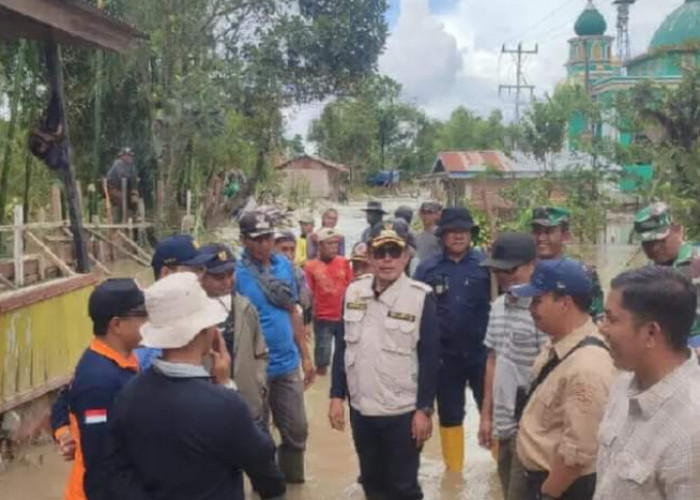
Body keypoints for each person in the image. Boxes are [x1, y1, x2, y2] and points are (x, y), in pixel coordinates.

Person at [104, 273, 286, 500]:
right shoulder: (224, 405)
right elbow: (265, 468)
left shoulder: (129, 395)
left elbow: (114, 471)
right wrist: (227, 385)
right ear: (204, 331)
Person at [329, 229, 440, 500]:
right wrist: (335, 395)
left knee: (403, 488)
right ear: (369, 256)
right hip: (361, 410)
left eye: (394, 253)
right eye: (380, 253)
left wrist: (424, 409)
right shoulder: (353, 292)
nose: (387, 260)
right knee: (371, 483)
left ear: (405, 257)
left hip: (402, 413)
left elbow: (430, 357)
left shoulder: (420, 296)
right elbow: (342, 348)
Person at [512, 259, 616, 500]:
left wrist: (547, 493)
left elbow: (579, 452)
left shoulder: (587, 367)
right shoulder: (560, 345)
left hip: (560, 488)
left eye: (538, 301)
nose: (531, 309)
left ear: (565, 304)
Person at [595, 266, 700, 500]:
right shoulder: (623, 384)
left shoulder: (691, 431)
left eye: (611, 319)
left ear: (651, 333)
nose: (601, 329)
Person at [51, 279, 147, 500]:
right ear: (117, 325)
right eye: (141, 316)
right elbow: (102, 467)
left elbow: (65, 398)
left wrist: (63, 432)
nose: (147, 322)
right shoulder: (98, 382)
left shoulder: (118, 360)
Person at [236, 210, 313, 483]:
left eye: (268, 237)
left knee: (298, 429)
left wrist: (306, 356)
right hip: (253, 366)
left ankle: (293, 484)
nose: (264, 244)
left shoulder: (286, 267)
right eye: (256, 239)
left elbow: (293, 311)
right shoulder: (235, 274)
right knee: (258, 433)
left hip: (287, 362)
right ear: (244, 240)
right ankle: (268, 486)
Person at [414, 207, 491, 473]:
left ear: (471, 234)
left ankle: (500, 472)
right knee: (450, 414)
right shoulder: (426, 270)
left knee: (491, 410)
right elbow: (414, 314)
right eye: (452, 231)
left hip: (482, 355)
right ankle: (454, 475)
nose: (458, 236)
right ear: (442, 235)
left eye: (464, 231)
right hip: (444, 358)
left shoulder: (487, 266)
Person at [478, 232, 546, 500]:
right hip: (503, 422)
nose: (504, 277)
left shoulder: (541, 312)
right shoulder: (497, 307)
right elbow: (493, 361)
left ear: (533, 265)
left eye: (511, 270)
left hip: (531, 426)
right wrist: (486, 415)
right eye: (498, 270)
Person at [200, 243, 269, 423]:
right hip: (207, 410)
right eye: (218, 277)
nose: (227, 281)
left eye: (231, 274)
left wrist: (259, 382)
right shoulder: (193, 314)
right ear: (201, 276)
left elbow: (261, 352)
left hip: (248, 405)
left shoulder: (245, 307)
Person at [632, 201, 700, 351]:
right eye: (648, 243)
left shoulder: (696, 261)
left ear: (677, 230)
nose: (655, 248)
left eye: (661, 241)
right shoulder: (647, 275)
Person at [531, 206, 605, 321]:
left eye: (549, 231)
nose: (541, 238)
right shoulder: (521, 271)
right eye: (537, 231)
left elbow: (596, 318)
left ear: (565, 236)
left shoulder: (582, 274)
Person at [304, 228, 353, 376]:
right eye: (329, 244)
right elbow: (307, 295)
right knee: (322, 358)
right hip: (322, 318)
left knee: (345, 357)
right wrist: (306, 323)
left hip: (343, 316)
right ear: (319, 246)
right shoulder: (310, 266)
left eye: (336, 244)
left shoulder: (344, 262)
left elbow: (351, 287)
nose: (333, 247)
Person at [275, 231, 314, 341]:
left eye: (292, 250)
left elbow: (305, 300)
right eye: (284, 249)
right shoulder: (265, 272)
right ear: (274, 249)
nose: (288, 254)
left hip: (294, 321)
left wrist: (306, 324)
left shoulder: (298, 273)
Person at [105, 147, 139, 223]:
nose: (129, 157)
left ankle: (132, 219)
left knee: (134, 199)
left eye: (130, 156)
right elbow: (123, 176)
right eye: (127, 155)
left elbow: (134, 178)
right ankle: (119, 221)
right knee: (121, 199)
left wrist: (134, 191)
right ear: (122, 156)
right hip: (114, 189)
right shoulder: (118, 164)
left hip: (126, 189)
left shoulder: (131, 166)